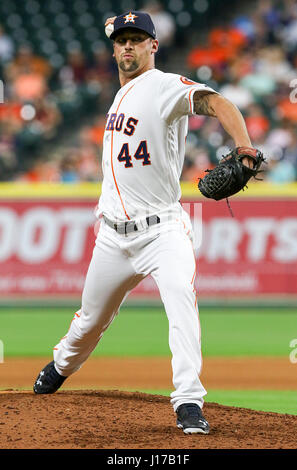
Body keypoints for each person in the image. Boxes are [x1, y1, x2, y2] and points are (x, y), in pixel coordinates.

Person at [33, 11, 256, 435]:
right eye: (122, 41)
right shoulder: (118, 98)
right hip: (113, 237)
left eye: (137, 39)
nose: (128, 47)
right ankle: (60, 366)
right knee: (88, 322)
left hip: (163, 231)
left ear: (154, 46)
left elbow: (216, 103)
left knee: (181, 305)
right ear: (114, 48)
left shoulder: (162, 86)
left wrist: (243, 146)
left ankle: (189, 401)